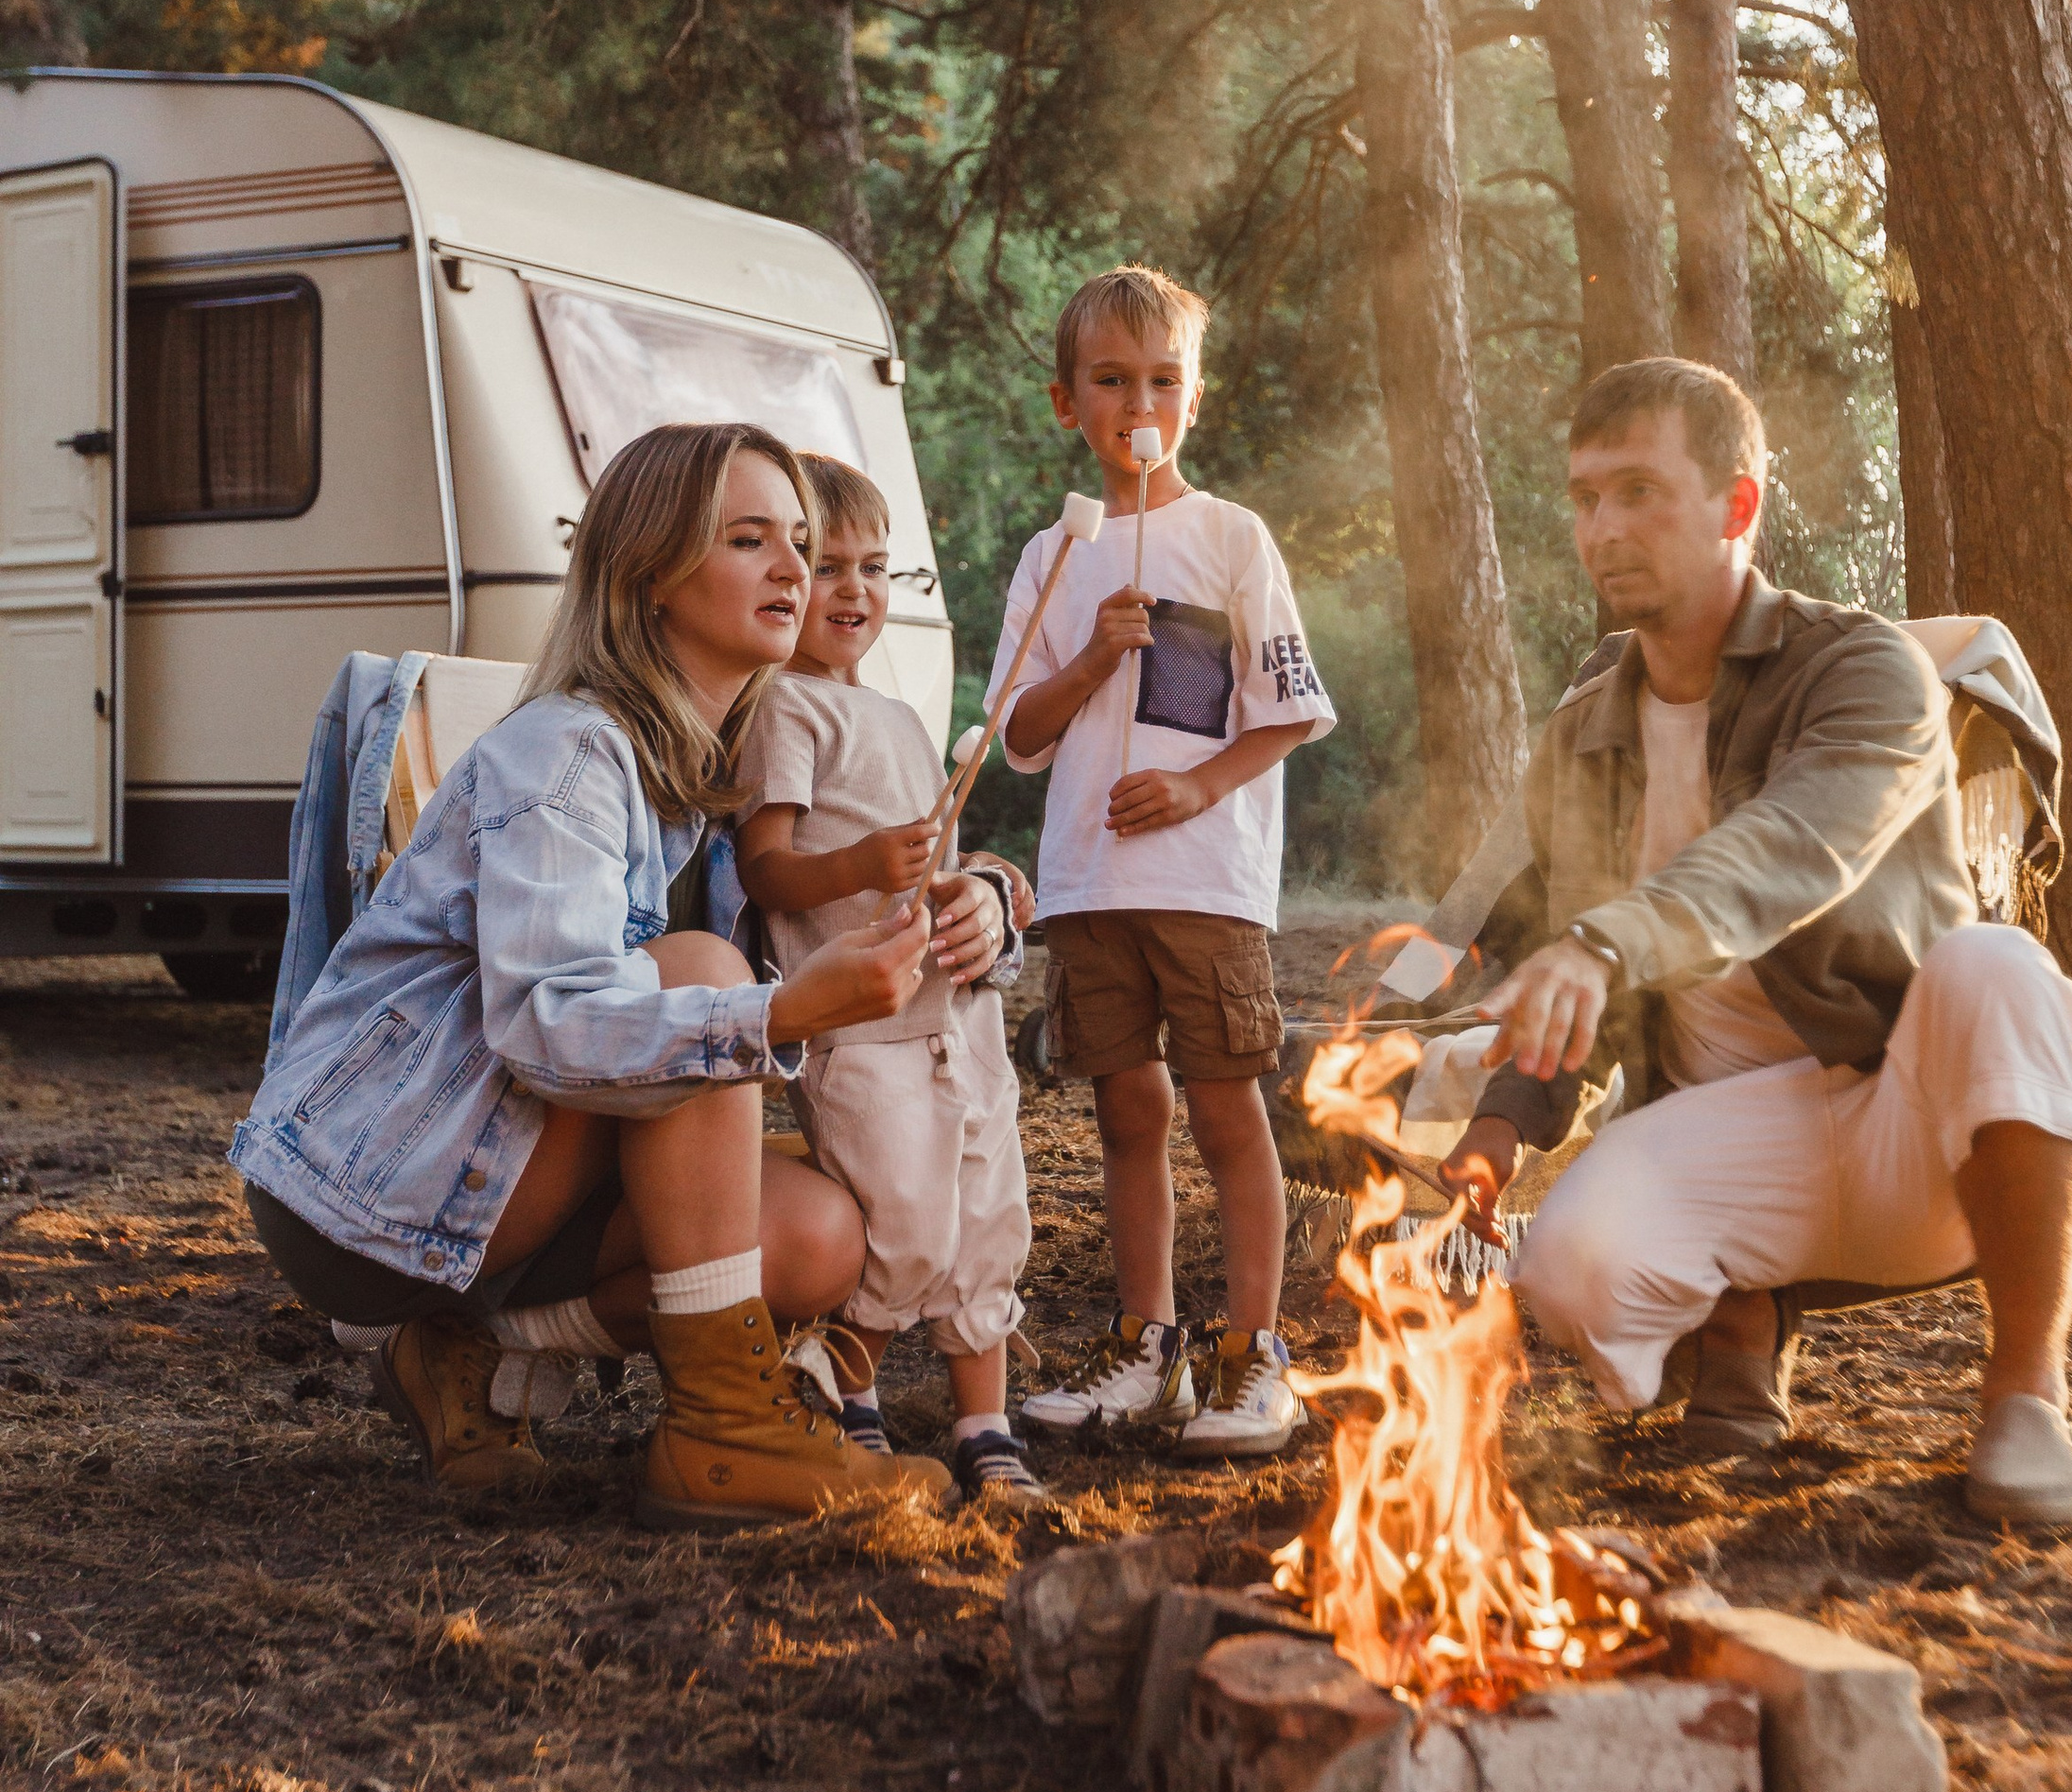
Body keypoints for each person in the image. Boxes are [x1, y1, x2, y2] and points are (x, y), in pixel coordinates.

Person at [232, 422, 955, 1528]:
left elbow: (896, 860)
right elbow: (550, 1026)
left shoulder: (700, 771)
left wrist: (987, 901)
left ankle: (464, 1351)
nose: (794, 569)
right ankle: (721, 1433)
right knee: (697, 972)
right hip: (371, 1190)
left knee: (815, 1239)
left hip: (492, 1175)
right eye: (748, 539)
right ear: (649, 574)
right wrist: (776, 1008)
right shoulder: (566, 752)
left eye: (799, 542)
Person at [1438, 357, 2072, 1530]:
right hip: (1727, 1129)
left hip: (1904, 1109)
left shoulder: (1864, 671)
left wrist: (1605, 941)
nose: (1603, 528)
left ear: (1737, 506)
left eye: (1640, 490)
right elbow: (1571, 995)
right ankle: (1739, 1318)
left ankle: (2026, 1394)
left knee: (2001, 974)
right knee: (1567, 1267)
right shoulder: (1581, 734)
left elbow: (1798, 843)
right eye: (1586, 498)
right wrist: (1491, 1146)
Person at [989, 266, 1336, 1459]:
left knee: (1226, 1105)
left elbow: (1286, 712)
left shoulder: (1231, 537)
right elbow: (1016, 737)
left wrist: (1195, 784)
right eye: (1111, 381)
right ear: (1065, 404)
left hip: (1201, 885)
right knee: (1125, 1107)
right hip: (1089, 885)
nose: (1140, 403)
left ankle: (1254, 1355)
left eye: (1164, 381)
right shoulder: (1052, 559)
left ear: (1196, 398)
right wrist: (1088, 659)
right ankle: (1148, 1347)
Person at [734, 456, 1048, 1513]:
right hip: (863, 1038)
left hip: (960, 1020)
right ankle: (841, 1396)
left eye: (875, 569)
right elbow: (765, 866)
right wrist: (863, 867)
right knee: (904, 1219)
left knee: (988, 1218)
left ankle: (982, 1424)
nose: (854, 591)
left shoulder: (910, 720)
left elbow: (938, 862)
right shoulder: (786, 711)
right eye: (827, 567)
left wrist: (972, 898)